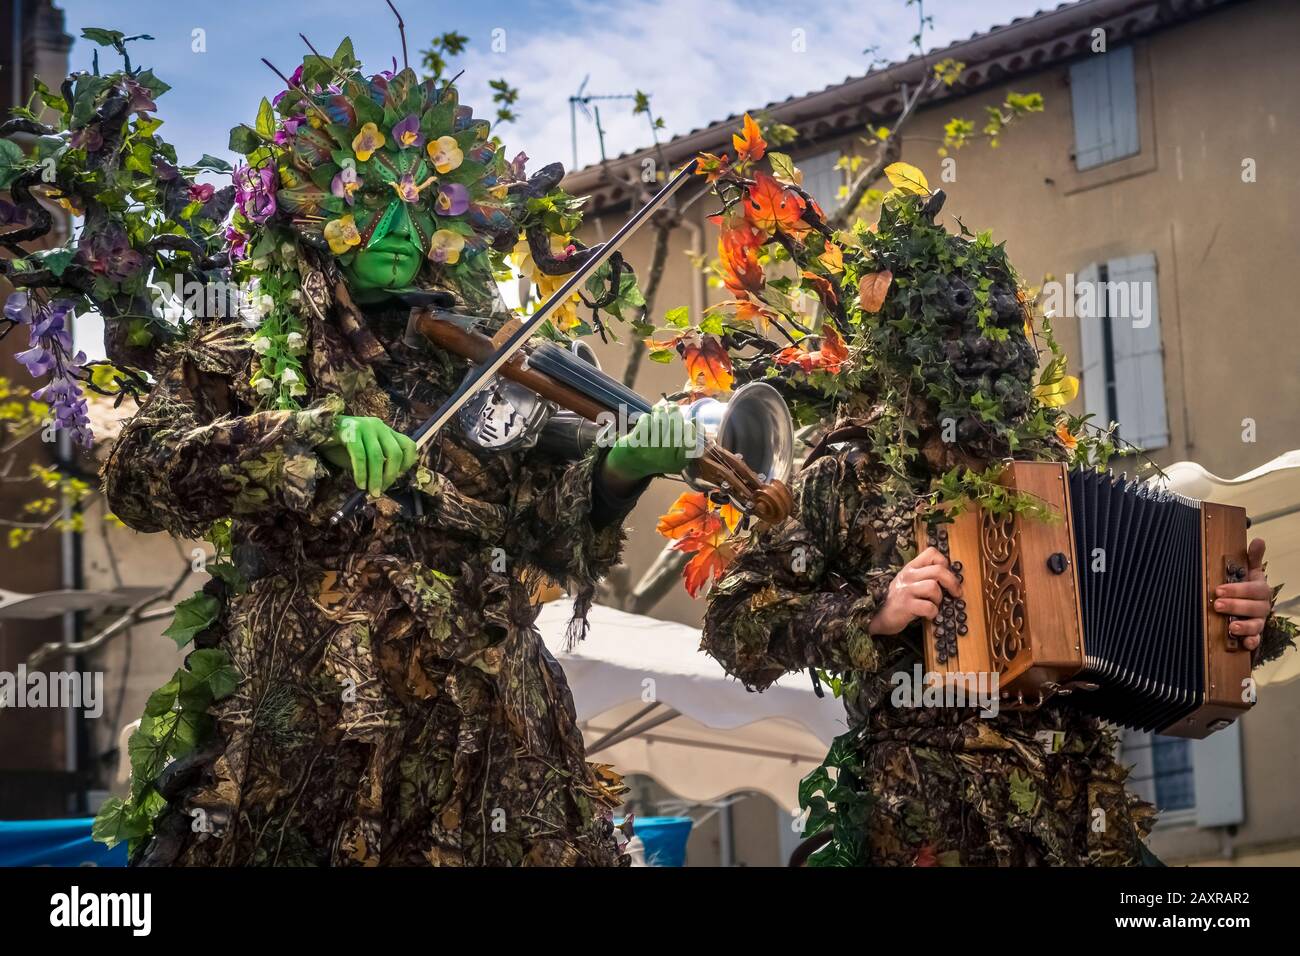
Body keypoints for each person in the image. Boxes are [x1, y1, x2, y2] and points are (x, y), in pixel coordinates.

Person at [100, 54, 693, 866]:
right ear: (313, 215)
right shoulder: (240, 353)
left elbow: (545, 539)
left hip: (491, 736)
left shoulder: (485, 359)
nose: (395, 231)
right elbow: (140, 474)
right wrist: (310, 435)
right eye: (370, 205)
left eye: (420, 211)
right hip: (311, 728)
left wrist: (620, 474)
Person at [700, 183, 1293, 866]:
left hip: (1075, 821)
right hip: (926, 818)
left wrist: (1243, 621)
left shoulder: (1053, 474)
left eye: (998, 328)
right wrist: (872, 612)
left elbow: (1154, 614)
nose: (983, 349)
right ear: (903, 346)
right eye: (957, 331)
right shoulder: (843, 477)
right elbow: (731, 623)